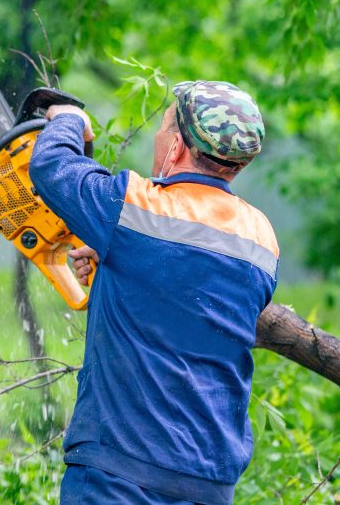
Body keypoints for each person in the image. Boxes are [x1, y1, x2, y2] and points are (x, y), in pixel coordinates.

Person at [27, 80, 279, 505]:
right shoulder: (261, 238)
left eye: (163, 128)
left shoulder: (135, 207)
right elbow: (189, 299)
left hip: (121, 476)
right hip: (208, 481)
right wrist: (119, 264)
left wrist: (66, 115)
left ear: (177, 146)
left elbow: (52, 166)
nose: (159, 139)